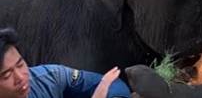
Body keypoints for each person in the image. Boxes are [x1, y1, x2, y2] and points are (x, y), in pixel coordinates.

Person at [0, 27, 130, 98]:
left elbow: (106, 82)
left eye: (20, 64)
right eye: (6, 75)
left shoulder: (49, 77)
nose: (20, 77)